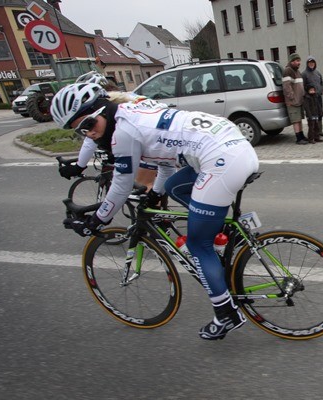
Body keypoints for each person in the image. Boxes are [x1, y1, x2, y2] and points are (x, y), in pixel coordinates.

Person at [50, 83, 260, 340]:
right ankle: (221, 229)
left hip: (221, 158)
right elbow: (166, 165)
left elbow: (120, 186)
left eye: (89, 125)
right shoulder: (131, 109)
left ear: (102, 110)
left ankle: (227, 314)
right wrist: (156, 192)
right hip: (228, 146)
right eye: (81, 131)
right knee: (173, 187)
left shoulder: (123, 132)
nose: (89, 134)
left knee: (197, 245)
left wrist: (96, 220)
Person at [58, 72, 160, 190]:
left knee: (144, 187)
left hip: (154, 139)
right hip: (160, 131)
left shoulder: (107, 105)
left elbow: (90, 141)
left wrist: (78, 167)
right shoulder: (122, 96)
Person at [282, 53, 308, 145]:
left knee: (299, 119)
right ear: (292, 61)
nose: (299, 62)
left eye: (299, 61)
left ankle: (302, 135)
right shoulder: (288, 71)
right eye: (297, 61)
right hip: (293, 102)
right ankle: (298, 138)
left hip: (299, 101)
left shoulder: (297, 71)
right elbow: (287, 87)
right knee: (296, 120)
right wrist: (291, 98)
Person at [301, 55, 323, 137]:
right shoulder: (304, 74)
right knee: (312, 114)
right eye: (309, 63)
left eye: (313, 62)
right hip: (310, 98)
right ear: (307, 64)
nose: (311, 64)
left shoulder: (318, 73)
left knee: (320, 113)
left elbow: (321, 83)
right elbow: (303, 86)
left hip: (318, 97)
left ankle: (320, 131)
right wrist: (307, 95)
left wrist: (321, 90)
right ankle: (313, 133)